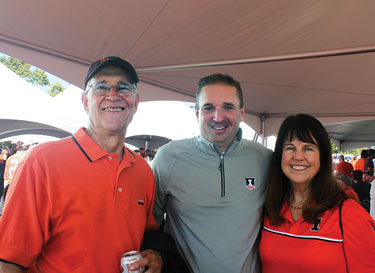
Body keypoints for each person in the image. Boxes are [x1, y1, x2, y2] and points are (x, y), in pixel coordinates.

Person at [0, 57, 163, 273]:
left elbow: (147, 234)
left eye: (123, 88)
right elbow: (10, 261)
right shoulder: (42, 161)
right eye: (101, 87)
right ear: (85, 101)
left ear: (135, 102)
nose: (113, 95)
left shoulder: (142, 170)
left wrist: (156, 255)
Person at [152, 73, 272, 273]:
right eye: (208, 108)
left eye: (228, 107)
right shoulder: (168, 157)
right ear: (197, 112)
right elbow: (150, 226)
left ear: (241, 113)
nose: (218, 117)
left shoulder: (266, 159)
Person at [259, 114, 375, 273]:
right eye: (290, 148)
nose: (298, 156)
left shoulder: (349, 214)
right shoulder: (269, 208)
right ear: (279, 156)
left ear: (322, 157)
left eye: (308, 148)